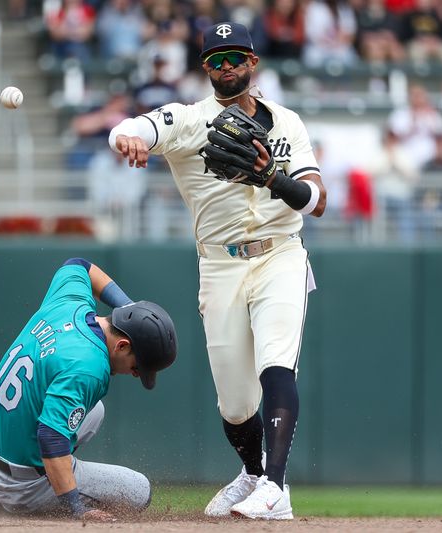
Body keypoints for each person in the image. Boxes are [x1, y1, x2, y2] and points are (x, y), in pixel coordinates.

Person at [107, 22, 326, 520]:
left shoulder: (287, 122)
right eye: (215, 59)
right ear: (204, 68)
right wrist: (128, 140)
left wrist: (274, 177)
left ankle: (275, 486)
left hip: (280, 253)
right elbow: (132, 126)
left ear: (253, 62)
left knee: (277, 359)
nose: (226, 67)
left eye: (235, 57)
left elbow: (316, 200)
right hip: (220, 264)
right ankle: (252, 471)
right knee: (234, 403)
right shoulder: (187, 120)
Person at [0, 258, 178, 521]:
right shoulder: (90, 367)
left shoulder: (69, 304)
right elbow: (51, 437)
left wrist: (129, 306)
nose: (135, 374)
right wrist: (75, 510)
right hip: (18, 482)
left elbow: (79, 265)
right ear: (122, 346)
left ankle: (17, 489)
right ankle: (17, 500)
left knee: (94, 411)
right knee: (137, 491)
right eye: (137, 366)